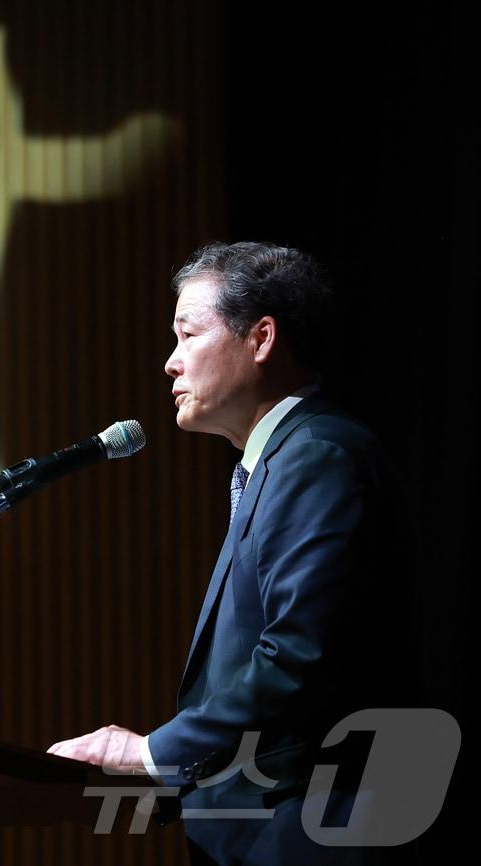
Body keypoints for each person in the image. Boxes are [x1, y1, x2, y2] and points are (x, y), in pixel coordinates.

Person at [47, 241, 420, 864]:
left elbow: (298, 655)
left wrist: (148, 752)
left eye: (187, 335)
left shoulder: (316, 457)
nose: (170, 363)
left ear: (262, 338)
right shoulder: (279, 462)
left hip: (307, 828)